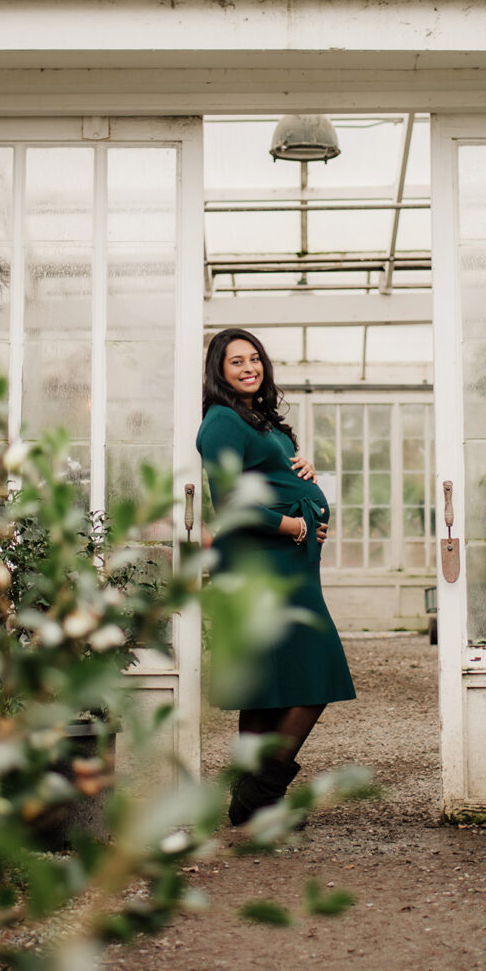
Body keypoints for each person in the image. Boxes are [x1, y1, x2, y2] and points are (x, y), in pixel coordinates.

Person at [196, 327, 356, 826]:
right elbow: (229, 504)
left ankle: (250, 801)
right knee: (317, 671)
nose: (248, 368)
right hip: (261, 565)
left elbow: (274, 477)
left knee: (269, 685)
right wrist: (290, 523)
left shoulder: (261, 419)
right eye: (236, 362)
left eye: (254, 359)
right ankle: (261, 795)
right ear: (219, 373)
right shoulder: (221, 422)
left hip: (290, 562)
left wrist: (303, 471)